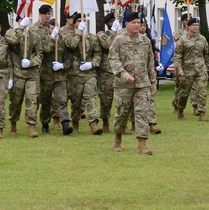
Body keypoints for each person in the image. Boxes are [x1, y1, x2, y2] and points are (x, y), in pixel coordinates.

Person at [109, 12, 157, 155]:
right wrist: (123, 74)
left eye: (139, 22)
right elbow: (113, 60)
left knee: (142, 113)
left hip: (142, 84)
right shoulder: (119, 40)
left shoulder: (145, 41)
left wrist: (152, 81)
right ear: (127, 24)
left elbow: (150, 62)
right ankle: (118, 138)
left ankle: (142, 145)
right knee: (122, 113)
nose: (137, 25)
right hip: (124, 84)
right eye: (134, 22)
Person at [5, 9, 46, 138]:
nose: (23, 22)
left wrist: (31, 62)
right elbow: (13, 41)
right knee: (15, 101)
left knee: (32, 99)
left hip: (31, 75)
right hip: (17, 74)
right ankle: (13, 123)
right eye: (20, 20)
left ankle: (31, 126)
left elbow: (39, 55)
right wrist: (21, 28)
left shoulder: (35, 37)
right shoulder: (11, 33)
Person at [63, 12, 104, 135]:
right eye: (78, 21)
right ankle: (75, 123)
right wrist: (78, 32)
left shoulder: (91, 38)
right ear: (74, 23)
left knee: (90, 97)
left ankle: (93, 124)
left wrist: (92, 64)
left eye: (83, 20)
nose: (82, 22)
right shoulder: (69, 36)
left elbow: (98, 54)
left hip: (89, 74)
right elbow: (71, 45)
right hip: (74, 74)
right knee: (76, 101)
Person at [38, 14, 72, 135]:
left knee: (62, 100)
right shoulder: (44, 40)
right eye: (52, 28)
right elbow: (45, 50)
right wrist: (52, 38)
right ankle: (45, 123)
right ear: (48, 29)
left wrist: (62, 65)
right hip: (46, 77)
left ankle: (65, 124)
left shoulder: (62, 42)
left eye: (55, 28)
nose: (54, 30)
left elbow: (69, 58)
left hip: (60, 77)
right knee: (46, 102)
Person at [173, 18, 209, 122]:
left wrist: (207, 67)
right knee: (184, 93)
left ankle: (202, 113)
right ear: (188, 27)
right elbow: (178, 56)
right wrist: (179, 69)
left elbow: (206, 54)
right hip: (187, 70)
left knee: (202, 91)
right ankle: (180, 109)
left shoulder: (202, 39)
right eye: (193, 25)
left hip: (200, 69)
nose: (195, 27)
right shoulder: (183, 39)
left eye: (197, 25)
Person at [96, 12, 119, 133]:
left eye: (114, 22)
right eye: (111, 22)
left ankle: (123, 124)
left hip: (120, 70)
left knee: (123, 99)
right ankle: (105, 121)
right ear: (107, 24)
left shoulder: (122, 34)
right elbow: (109, 45)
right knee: (106, 98)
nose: (113, 24)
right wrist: (113, 31)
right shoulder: (102, 35)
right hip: (107, 71)